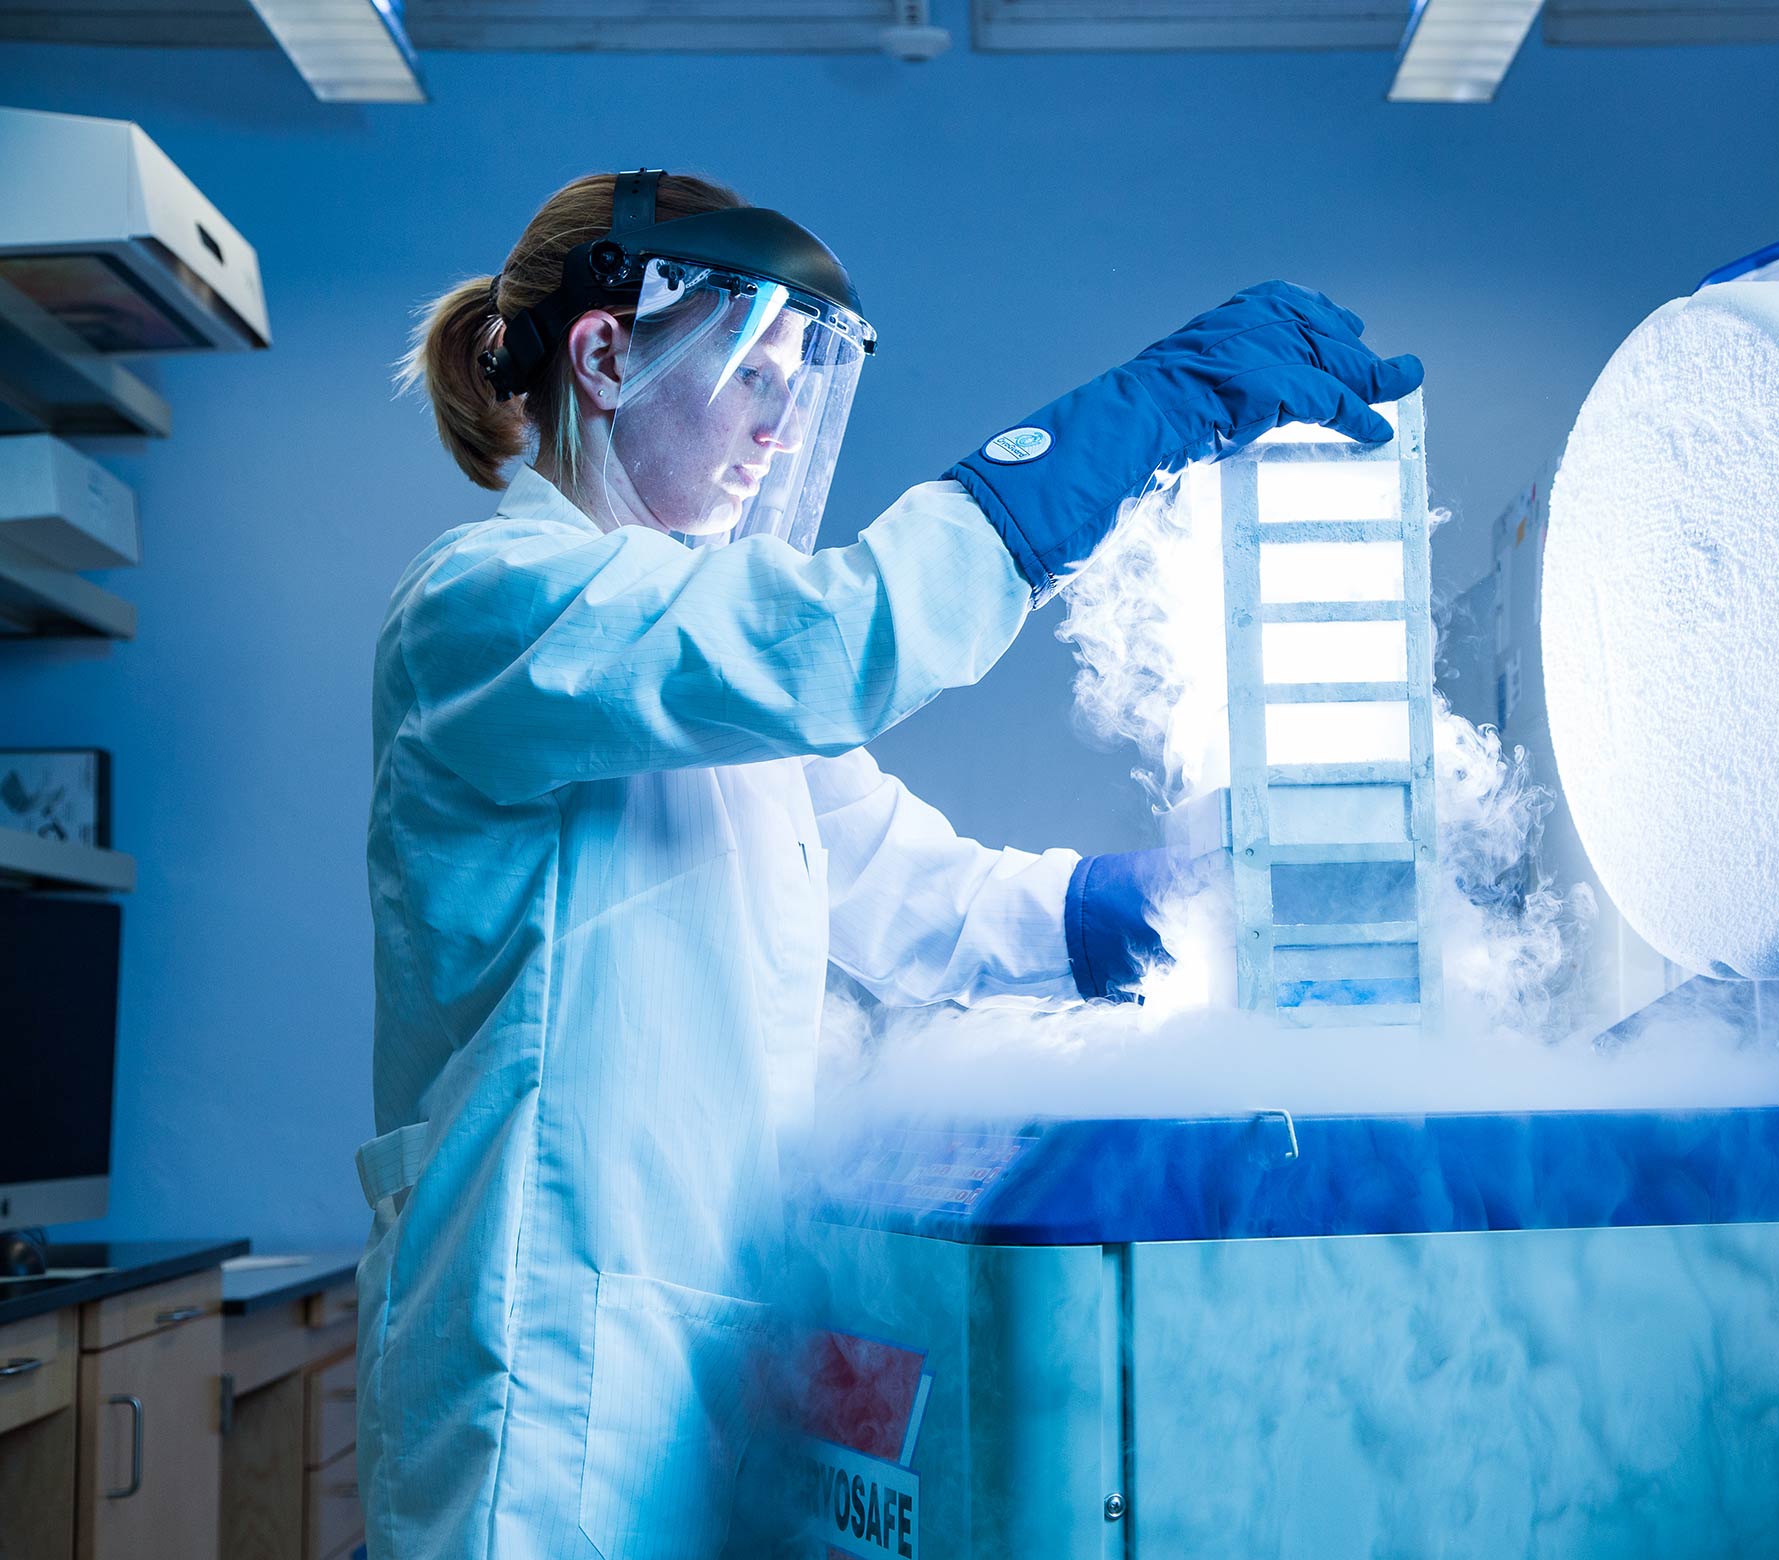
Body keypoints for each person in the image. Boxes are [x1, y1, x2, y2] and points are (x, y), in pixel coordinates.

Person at [355, 168, 1420, 1558]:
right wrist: (1150, 412)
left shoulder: (706, 682)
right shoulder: (493, 609)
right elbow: (850, 636)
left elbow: (919, 893)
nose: (778, 418)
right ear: (606, 357)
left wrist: (1147, 911)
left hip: (690, 1378)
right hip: (551, 1400)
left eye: (805, 379)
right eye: (752, 369)